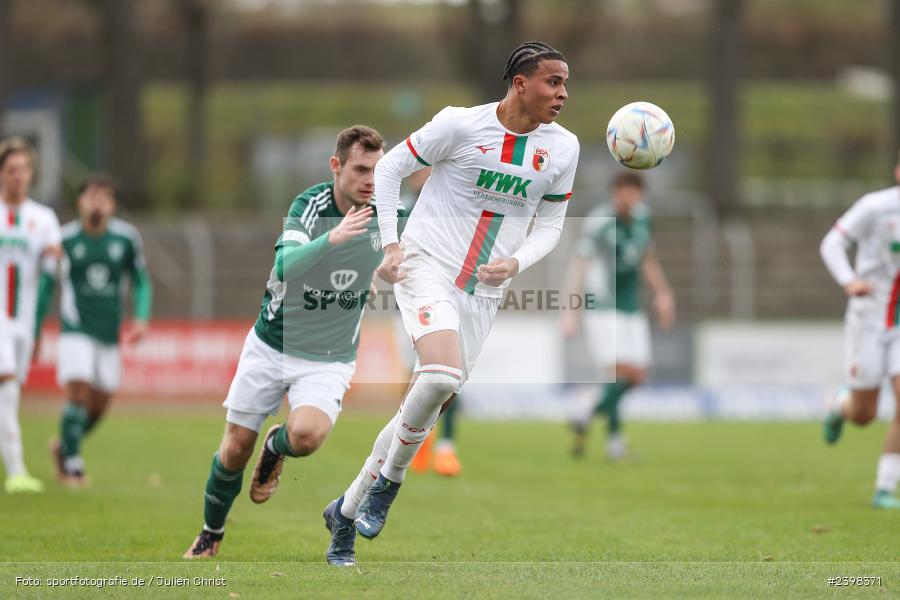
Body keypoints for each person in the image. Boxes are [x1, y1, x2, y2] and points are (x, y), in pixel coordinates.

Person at [322, 41, 579, 566]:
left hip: (483, 292)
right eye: (553, 82)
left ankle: (345, 511)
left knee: (429, 401)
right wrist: (391, 245)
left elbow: (551, 226)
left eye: (565, 84)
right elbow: (389, 170)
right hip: (427, 265)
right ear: (520, 84)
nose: (562, 94)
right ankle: (390, 484)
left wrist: (516, 263)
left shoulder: (564, 148)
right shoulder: (459, 125)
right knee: (439, 377)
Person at [183, 125, 401, 558]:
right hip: (272, 344)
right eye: (360, 169)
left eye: (377, 171)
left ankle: (275, 447)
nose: (370, 180)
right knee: (234, 449)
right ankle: (211, 533)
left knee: (306, 436)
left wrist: (392, 265)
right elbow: (285, 265)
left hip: (329, 356)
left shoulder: (389, 213)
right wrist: (332, 238)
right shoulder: (311, 206)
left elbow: (424, 244)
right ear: (335, 166)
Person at [40, 175, 152, 486]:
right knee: (78, 389)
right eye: (91, 195)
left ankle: (64, 445)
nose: (97, 202)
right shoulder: (64, 240)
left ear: (113, 205)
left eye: (104, 196)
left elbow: (141, 281)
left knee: (100, 403)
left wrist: (141, 318)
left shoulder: (126, 239)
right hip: (75, 328)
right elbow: (47, 284)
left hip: (108, 332)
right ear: (80, 202)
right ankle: (73, 465)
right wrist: (36, 326)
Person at [561, 172, 675, 461]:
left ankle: (585, 411)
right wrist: (571, 310)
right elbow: (580, 264)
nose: (629, 196)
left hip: (631, 307)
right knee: (618, 374)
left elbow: (647, 260)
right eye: (624, 190)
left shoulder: (642, 219)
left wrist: (663, 293)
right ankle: (615, 444)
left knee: (637, 376)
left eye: (634, 191)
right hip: (602, 307)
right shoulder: (600, 221)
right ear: (615, 192)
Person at [820, 150, 900, 509]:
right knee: (864, 414)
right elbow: (832, 243)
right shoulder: (875, 207)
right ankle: (840, 406)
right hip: (869, 317)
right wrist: (849, 280)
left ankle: (884, 488)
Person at [0, 137, 62, 493]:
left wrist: (37, 326)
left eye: (23, 169)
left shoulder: (44, 218)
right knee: (7, 387)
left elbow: (51, 276)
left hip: (23, 320)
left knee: (10, 392)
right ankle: (17, 471)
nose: (18, 175)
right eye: (11, 169)